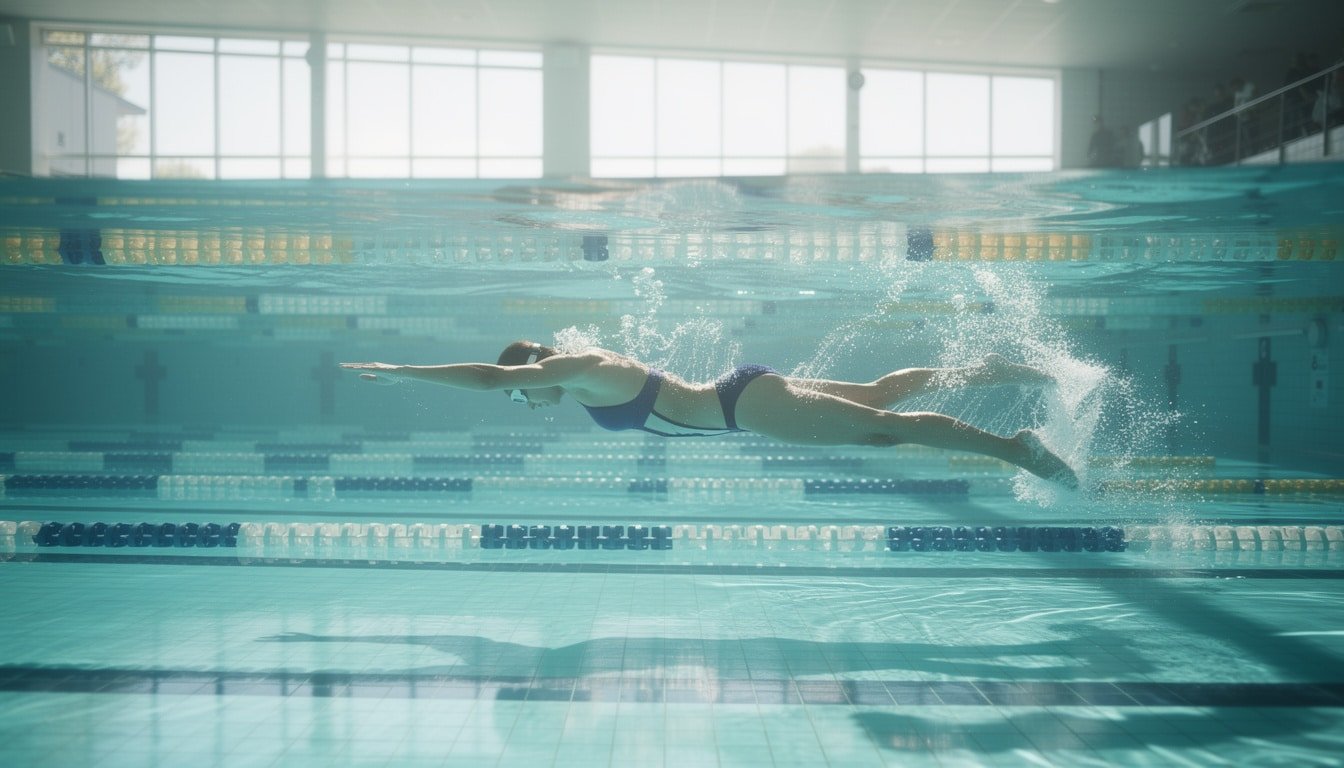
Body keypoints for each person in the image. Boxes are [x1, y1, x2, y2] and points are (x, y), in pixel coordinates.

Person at [341, 341, 1080, 488]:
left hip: (740, 408)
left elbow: (487, 375)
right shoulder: (584, 374)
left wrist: (404, 369)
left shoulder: (572, 367)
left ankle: (1018, 449)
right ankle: (1002, 369)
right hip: (741, 394)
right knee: (881, 398)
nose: (520, 399)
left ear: (531, 369)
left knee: (883, 427)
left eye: (518, 389)